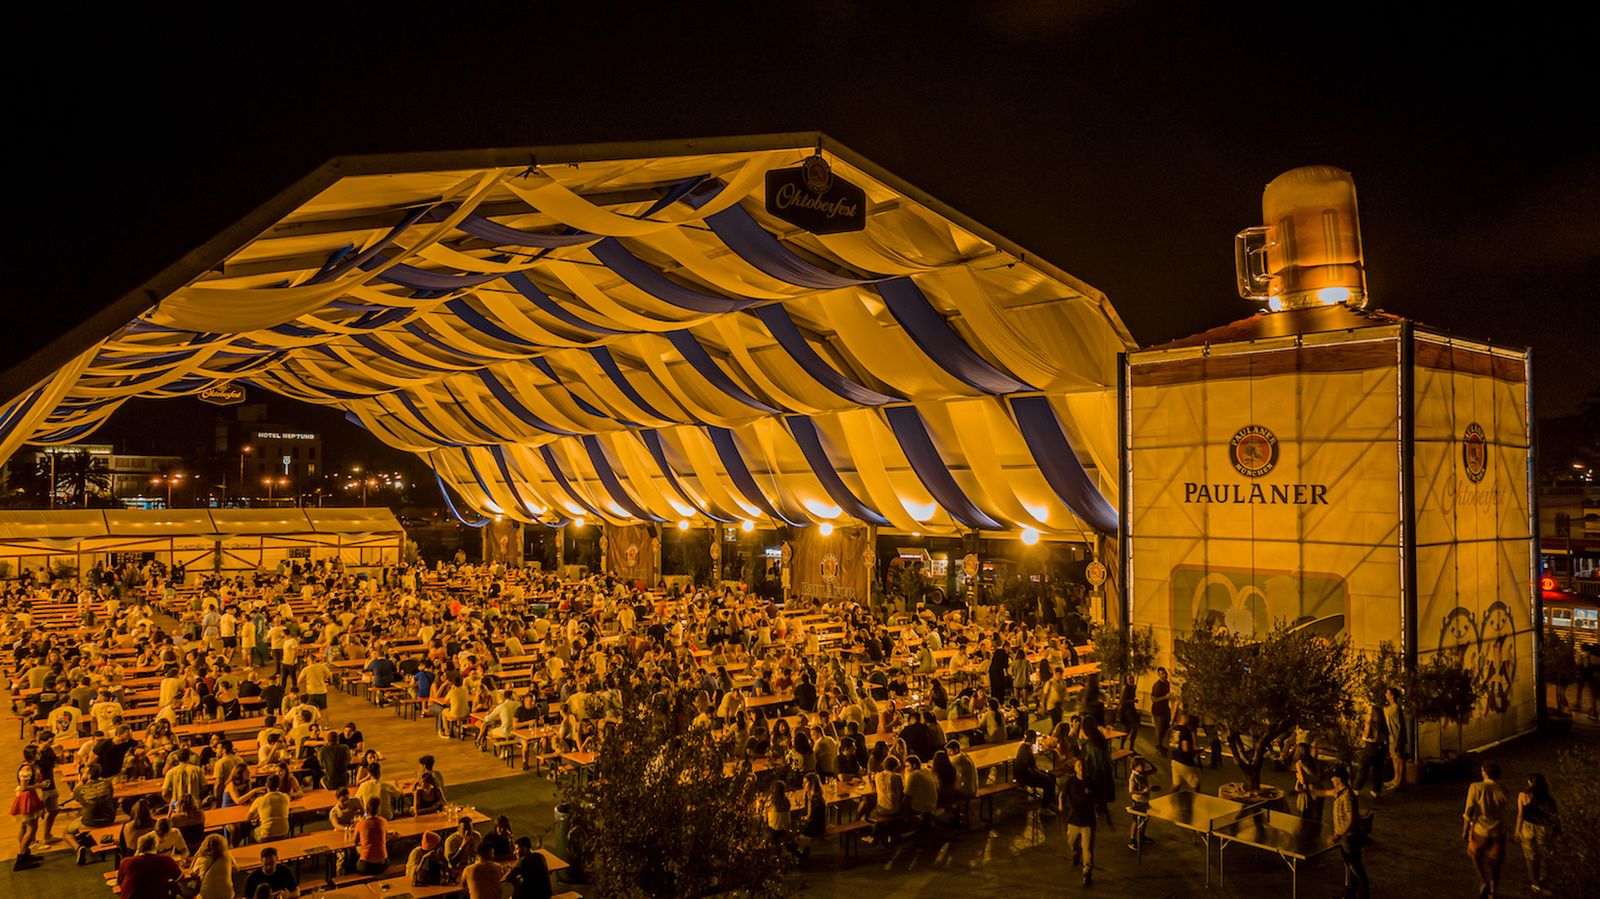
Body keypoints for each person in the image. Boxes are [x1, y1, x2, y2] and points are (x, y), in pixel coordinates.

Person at [1317, 766, 1370, 899]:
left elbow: (1350, 819)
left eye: (1333, 777)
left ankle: (1363, 894)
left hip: (1349, 837)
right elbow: (1325, 793)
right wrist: (1308, 790)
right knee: (1350, 865)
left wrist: (1337, 835)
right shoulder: (1338, 792)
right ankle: (1350, 893)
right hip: (1345, 837)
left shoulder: (1346, 797)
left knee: (1355, 866)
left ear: (1339, 779)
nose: (1331, 779)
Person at [1463, 761, 1510, 898]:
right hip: (1498, 830)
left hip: (1480, 829)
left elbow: (1470, 810)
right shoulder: (1503, 790)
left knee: (1474, 853)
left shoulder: (1476, 787)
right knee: (1495, 862)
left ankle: (1483, 880)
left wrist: (1465, 829)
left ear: (1484, 772)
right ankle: (1493, 889)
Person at [1516, 772, 1558, 896]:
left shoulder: (1523, 795)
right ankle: (1544, 878)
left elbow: (1520, 814)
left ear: (1530, 782)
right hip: (1543, 828)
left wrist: (1517, 829)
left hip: (1527, 828)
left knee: (1530, 856)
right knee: (1545, 854)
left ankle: (1534, 883)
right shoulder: (1549, 799)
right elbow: (1554, 816)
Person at [1060, 757, 1096, 887]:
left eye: (1083, 766)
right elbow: (1063, 793)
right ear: (1075, 768)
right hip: (1074, 819)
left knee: (1088, 849)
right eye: (1079, 766)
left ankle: (1087, 872)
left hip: (1087, 821)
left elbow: (1098, 797)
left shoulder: (1091, 782)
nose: (1081, 768)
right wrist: (1061, 805)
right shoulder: (1071, 781)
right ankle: (1076, 852)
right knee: (1071, 840)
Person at [118, 832, 182, 899]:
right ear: (155, 845)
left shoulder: (125, 862)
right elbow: (179, 877)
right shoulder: (166, 860)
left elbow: (120, 881)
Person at [1351, 698, 1388, 799]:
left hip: (1369, 748)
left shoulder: (1370, 725)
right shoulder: (1383, 726)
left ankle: (1356, 789)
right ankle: (1376, 791)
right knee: (1378, 771)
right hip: (1380, 748)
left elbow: (1365, 737)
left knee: (1363, 769)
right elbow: (1386, 737)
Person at [1014, 733, 1057, 816]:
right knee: (1048, 782)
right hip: (1025, 776)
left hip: (1025, 774)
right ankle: (1044, 808)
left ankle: (1050, 801)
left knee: (1051, 776)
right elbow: (1031, 769)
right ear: (1033, 739)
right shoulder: (1027, 751)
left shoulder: (1024, 747)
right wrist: (1042, 774)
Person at [11, 762, 45, 868]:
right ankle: (21, 856)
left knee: (24, 827)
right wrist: (40, 785)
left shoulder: (28, 767)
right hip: (27, 798)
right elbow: (23, 787)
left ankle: (25, 853)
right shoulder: (26, 768)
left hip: (28, 797)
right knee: (31, 828)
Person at [187, 833, 236, 899]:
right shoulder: (227, 855)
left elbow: (192, 872)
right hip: (227, 895)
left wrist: (197, 854)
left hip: (208, 896)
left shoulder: (203, 859)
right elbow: (236, 869)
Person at [247, 774, 292, 842]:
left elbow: (247, 818)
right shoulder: (285, 797)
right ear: (279, 785)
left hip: (266, 834)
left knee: (252, 833)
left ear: (266, 785)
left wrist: (257, 816)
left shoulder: (259, 800)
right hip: (284, 832)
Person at [506, 835, 553, 899]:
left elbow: (509, 877)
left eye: (517, 849)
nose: (514, 852)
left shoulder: (524, 860)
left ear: (524, 848)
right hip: (546, 894)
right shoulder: (540, 856)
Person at [1126, 754, 1157, 850]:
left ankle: (1142, 835)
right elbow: (1131, 791)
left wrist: (1148, 761)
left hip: (1145, 800)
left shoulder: (1143, 773)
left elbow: (1154, 769)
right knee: (1136, 820)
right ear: (1136, 766)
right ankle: (1132, 839)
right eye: (1142, 765)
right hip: (1137, 801)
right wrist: (1142, 792)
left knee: (1145, 818)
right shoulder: (1133, 777)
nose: (1144, 767)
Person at [352, 797, 389, 874]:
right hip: (381, 864)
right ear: (378, 809)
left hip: (366, 865)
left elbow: (355, 841)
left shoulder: (361, 824)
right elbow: (386, 838)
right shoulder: (383, 821)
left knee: (353, 860)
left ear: (366, 810)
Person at [1382, 686, 1407, 791]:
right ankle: (1395, 778)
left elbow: (1399, 725)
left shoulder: (1396, 708)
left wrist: (1398, 740)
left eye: (1387, 693)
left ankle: (1399, 781)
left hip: (1396, 737)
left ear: (1392, 695)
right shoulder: (1389, 708)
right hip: (1390, 737)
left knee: (1399, 759)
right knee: (1394, 758)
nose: (1385, 695)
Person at [1150, 668, 1172, 756]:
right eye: (1162, 674)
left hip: (1165, 709)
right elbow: (1153, 699)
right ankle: (1159, 746)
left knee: (1165, 727)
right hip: (1158, 710)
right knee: (1159, 729)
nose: (1164, 675)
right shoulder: (1157, 685)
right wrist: (1165, 697)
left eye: (1165, 673)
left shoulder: (1167, 684)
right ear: (1159, 675)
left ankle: (1160, 745)